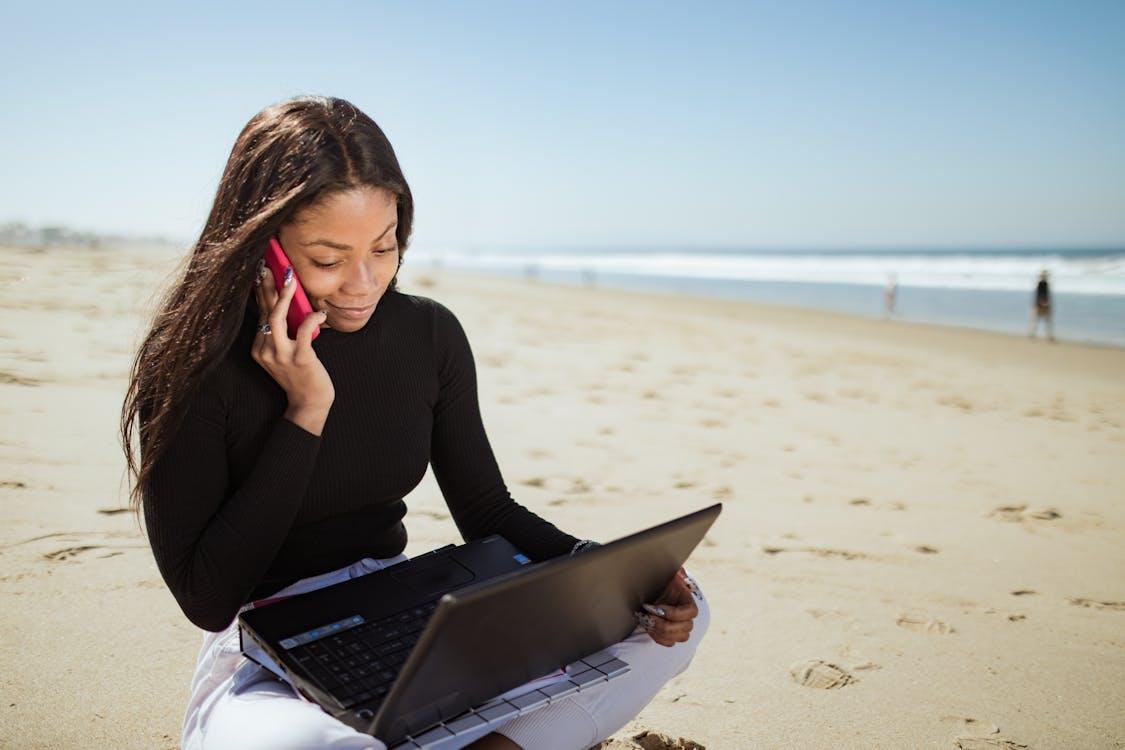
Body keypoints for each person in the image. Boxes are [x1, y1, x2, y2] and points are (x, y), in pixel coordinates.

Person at [119, 96, 709, 750]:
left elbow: (486, 509)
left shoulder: (427, 334)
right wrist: (305, 412)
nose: (363, 283)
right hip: (265, 664)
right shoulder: (193, 365)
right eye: (327, 258)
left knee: (678, 614)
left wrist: (609, 572)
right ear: (265, 245)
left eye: (384, 246)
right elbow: (208, 599)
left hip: (408, 620)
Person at [1028, 269, 1055, 341]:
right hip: (1040, 305)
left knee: (1046, 321)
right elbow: (1040, 295)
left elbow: (1046, 296)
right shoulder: (1041, 284)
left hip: (1043, 305)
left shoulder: (1045, 284)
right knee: (1037, 321)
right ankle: (1033, 334)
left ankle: (1048, 335)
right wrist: (1043, 304)